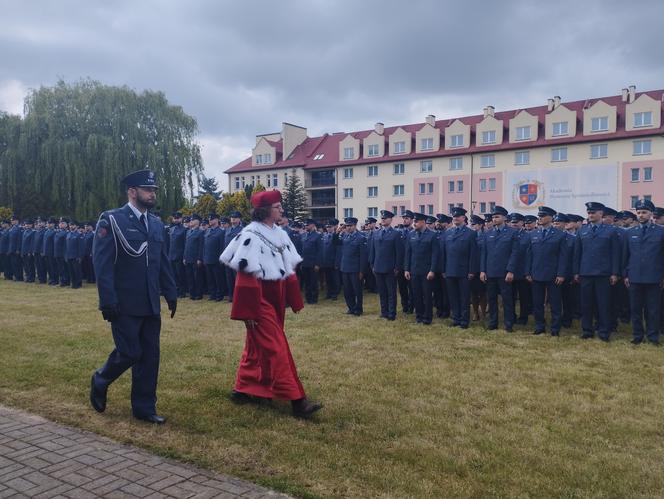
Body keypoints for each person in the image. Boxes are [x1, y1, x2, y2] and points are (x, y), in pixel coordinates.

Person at [220, 189, 322, 419]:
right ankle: (297, 401)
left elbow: (288, 268)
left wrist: (294, 299)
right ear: (265, 211)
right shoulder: (251, 235)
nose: (282, 210)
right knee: (276, 346)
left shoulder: (279, 233)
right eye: (278, 207)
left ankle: (244, 388)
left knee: (257, 346)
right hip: (258, 301)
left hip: (275, 298)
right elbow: (245, 277)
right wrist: (248, 311)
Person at [90, 169, 177, 424]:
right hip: (124, 302)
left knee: (150, 356)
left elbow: (162, 261)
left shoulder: (156, 223)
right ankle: (101, 378)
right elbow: (102, 264)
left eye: (153, 190)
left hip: (150, 302)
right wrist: (107, 301)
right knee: (130, 352)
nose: (152, 194)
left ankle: (144, 407)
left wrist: (170, 292)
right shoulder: (112, 220)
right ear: (132, 192)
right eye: (147, 190)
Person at [573, 202, 621, 341]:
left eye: (593, 212)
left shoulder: (611, 230)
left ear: (601, 214)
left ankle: (604, 331)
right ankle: (587, 330)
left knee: (603, 304)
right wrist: (576, 272)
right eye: (589, 213)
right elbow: (577, 253)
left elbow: (615, 253)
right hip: (586, 273)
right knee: (586, 304)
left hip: (603, 273)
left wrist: (614, 273)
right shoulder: (582, 230)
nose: (590, 215)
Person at [622, 199, 664, 345]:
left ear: (651, 214)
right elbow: (625, 256)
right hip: (634, 277)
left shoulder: (661, 231)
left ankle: (653, 337)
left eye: (644, 212)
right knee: (635, 309)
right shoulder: (630, 232)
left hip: (654, 277)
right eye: (638, 212)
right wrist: (625, 274)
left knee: (653, 310)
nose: (641, 215)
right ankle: (637, 335)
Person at [525, 206, 569, 336]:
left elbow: (563, 256)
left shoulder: (560, 235)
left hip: (553, 274)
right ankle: (539, 326)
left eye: (543, 216)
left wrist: (561, 274)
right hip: (536, 273)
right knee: (537, 303)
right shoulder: (533, 234)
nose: (540, 218)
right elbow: (529, 255)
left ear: (551, 218)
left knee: (555, 303)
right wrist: (527, 272)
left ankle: (555, 328)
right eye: (539, 215)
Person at [480, 206, 518, 332]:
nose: (494, 219)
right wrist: (482, 270)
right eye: (493, 217)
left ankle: (508, 323)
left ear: (504, 218)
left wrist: (511, 270)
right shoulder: (488, 233)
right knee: (491, 299)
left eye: (497, 216)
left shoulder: (512, 232)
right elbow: (484, 253)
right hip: (490, 272)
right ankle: (493, 322)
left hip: (504, 272)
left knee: (507, 299)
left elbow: (515, 253)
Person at [441, 207, 478, 329]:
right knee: (453, 296)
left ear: (463, 218)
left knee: (464, 297)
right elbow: (444, 253)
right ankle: (456, 318)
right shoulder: (448, 233)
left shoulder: (471, 233)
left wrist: (472, 270)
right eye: (454, 217)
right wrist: (443, 269)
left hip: (464, 271)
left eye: (458, 216)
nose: (455, 218)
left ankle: (464, 320)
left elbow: (473, 254)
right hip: (450, 269)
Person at [404, 212, 439, 325]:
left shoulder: (432, 235)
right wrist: (406, 269)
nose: (414, 223)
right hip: (414, 270)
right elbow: (408, 253)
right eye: (414, 221)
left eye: (416, 221)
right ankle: (419, 316)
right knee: (416, 294)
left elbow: (435, 254)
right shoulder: (411, 234)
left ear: (423, 222)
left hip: (426, 271)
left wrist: (432, 270)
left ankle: (427, 317)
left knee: (427, 295)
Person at [369, 210, 403, 321]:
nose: (383, 220)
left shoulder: (396, 234)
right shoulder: (376, 233)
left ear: (391, 219)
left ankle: (391, 313)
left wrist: (397, 267)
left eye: (385, 218)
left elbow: (399, 252)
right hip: (378, 267)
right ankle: (384, 312)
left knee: (391, 292)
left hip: (390, 268)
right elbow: (373, 250)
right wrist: (372, 264)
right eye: (382, 218)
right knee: (382, 292)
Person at [334, 217, 367, 316]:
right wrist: (337, 232)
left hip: (355, 268)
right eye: (347, 226)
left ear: (355, 226)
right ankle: (351, 307)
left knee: (357, 290)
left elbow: (363, 256)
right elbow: (335, 242)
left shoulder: (361, 237)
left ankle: (358, 308)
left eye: (350, 226)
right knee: (347, 290)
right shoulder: (344, 236)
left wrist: (362, 271)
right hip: (345, 267)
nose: (348, 228)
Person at [203, 213, 225, 301]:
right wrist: (204, 257)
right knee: (210, 279)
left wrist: (221, 258)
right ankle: (212, 294)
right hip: (208, 258)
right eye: (209, 219)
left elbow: (222, 246)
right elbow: (204, 246)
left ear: (216, 220)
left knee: (218, 279)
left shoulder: (221, 231)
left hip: (216, 259)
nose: (210, 220)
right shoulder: (207, 231)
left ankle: (219, 295)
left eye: (212, 219)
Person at [300, 218, 322, 304]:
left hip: (313, 263)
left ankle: (314, 298)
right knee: (307, 282)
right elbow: (303, 250)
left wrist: (317, 264)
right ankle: (308, 297)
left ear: (312, 225)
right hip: (305, 262)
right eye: (305, 225)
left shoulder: (318, 235)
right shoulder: (305, 235)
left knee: (313, 282)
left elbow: (320, 251)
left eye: (307, 225)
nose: (306, 226)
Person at [397, 210, 415, 314]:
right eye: (404, 218)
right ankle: (405, 305)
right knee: (402, 288)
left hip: (411, 265)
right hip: (401, 265)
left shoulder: (414, 232)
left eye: (407, 218)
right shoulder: (399, 232)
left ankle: (412, 306)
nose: (404, 220)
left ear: (412, 220)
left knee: (412, 288)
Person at [183, 214, 204, 300]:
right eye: (191, 219)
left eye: (193, 220)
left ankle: (198, 294)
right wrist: (184, 257)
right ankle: (192, 294)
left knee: (197, 277)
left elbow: (201, 246)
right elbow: (186, 246)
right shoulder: (188, 231)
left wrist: (199, 258)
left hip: (195, 258)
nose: (191, 221)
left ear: (198, 222)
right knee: (190, 277)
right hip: (188, 257)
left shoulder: (201, 232)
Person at [224, 211, 243, 301]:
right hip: (228, 258)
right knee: (229, 277)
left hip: (237, 257)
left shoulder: (242, 230)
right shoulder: (227, 230)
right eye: (232, 217)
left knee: (237, 278)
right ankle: (231, 295)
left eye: (235, 217)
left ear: (239, 219)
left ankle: (238, 295)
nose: (233, 219)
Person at [168, 211, 188, 297]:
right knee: (173, 275)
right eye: (174, 218)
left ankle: (182, 292)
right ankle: (175, 291)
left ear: (181, 219)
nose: (176, 220)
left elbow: (185, 244)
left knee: (181, 275)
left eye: (177, 218)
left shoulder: (184, 230)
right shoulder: (171, 229)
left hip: (180, 255)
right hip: (171, 255)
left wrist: (184, 256)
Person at [320, 219, 340, 300]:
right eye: (327, 227)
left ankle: (335, 294)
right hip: (326, 262)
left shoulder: (336, 236)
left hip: (333, 261)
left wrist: (336, 263)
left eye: (330, 227)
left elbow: (338, 251)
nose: (328, 228)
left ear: (333, 227)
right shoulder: (324, 236)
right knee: (328, 279)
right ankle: (329, 293)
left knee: (334, 279)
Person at [54, 218, 70, 286]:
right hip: (57, 253)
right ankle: (62, 280)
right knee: (60, 268)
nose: (61, 224)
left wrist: (65, 255)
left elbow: (66, 245)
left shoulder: (67, 233)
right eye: (60, 223)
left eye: (63, 223)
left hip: (63, 254)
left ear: (66, 225)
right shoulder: (58, 232)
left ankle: (65, 281)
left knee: (64, 268)